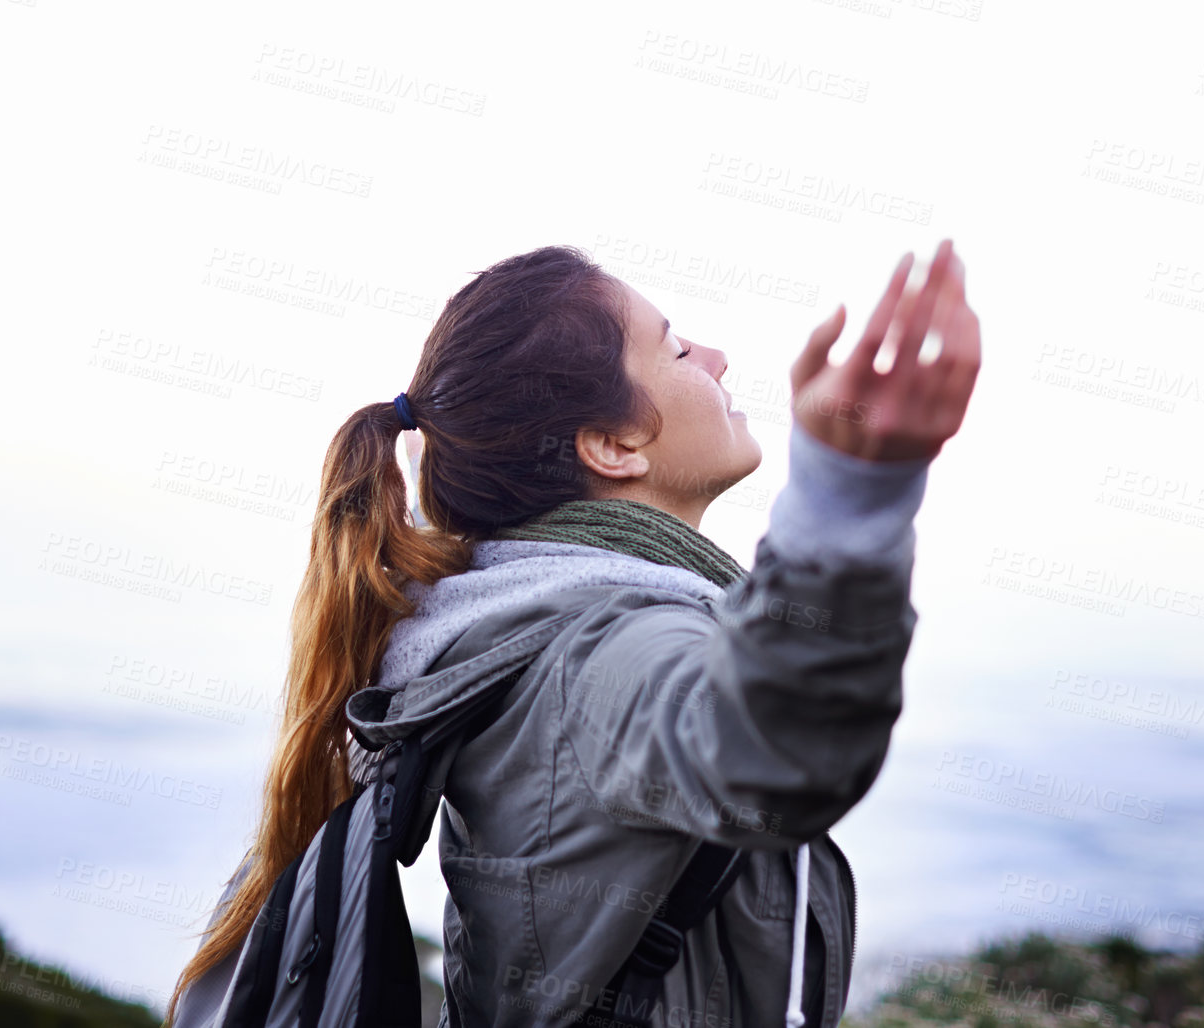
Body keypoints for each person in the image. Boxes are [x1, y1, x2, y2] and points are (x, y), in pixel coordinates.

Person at [165, 239, 980, 1028]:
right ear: (611, 445)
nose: (720, 357)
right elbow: (776, 750)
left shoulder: (548, 631)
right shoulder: (594, 654)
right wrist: (848, 497)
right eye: (679, 352)